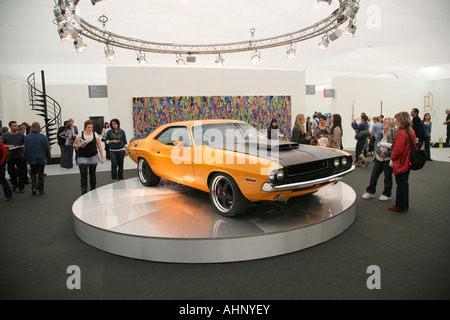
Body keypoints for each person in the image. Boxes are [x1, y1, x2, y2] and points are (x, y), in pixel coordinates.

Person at [362, 118, 396, 201]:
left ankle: (387, 194)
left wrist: (386, 154)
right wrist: (379, 152)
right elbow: (376, 145)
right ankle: (370, 192)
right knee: (374, 176)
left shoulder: (394, 134)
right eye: (383, 122)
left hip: (387, 159)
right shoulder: (381, 133)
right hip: (379, 158)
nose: (384, 123)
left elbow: (395, 147)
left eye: (386, 122)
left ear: (391, 124)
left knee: (387, 177)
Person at [389, 111, 416, 213]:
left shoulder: (401, 133)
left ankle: (400, 206)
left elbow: (398, 150)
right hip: (408, 160)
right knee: (404, 183)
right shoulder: (410, 130)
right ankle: (405, 205)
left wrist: (392, 157)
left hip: (402, 162)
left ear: (401, 120)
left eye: (397, 119)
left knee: (400, 184)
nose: (396, 121)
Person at [73, 120, 104, 194]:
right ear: (85, 127)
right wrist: (79, 145)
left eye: (91, 127)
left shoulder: (95, 134)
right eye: (88, 127)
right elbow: (74, 144)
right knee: (83, 174)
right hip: (82, 156)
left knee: (92, 174)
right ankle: (84, 191)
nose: (90, 129)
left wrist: (102, 157)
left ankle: (93, 189)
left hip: (93, 156)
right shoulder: (80, 134)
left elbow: (99, 146)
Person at [24, 122, 50, 195]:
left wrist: (25, 156)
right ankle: (41, 190)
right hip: (41, 157)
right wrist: (48, 155)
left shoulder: (27, 137)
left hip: (31, 157)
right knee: (40, 174)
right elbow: (47, 148)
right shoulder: (43, 137)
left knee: (33, 173)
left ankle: (34, 187)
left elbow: (25, 149)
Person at [2, 121, 26, 193]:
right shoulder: (6, 136)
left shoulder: (21, 135)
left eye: (16, 125)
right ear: (10, 127)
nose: (16, 127)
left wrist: (22, 146)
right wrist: (8, 146)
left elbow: (26, 143)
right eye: (14, 126)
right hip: (10, 156)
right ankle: (15, 184)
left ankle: (21, 186)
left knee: (21, 171)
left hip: (20, 155)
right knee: (11, 172)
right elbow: (2, 144)